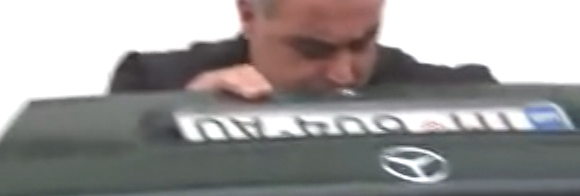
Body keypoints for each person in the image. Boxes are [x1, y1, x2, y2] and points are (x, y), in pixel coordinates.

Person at [109, 0, 496, 98]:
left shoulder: (461, 96)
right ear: (248, 14)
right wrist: (183, 118)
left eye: (363, 43)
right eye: (314, 50)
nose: (344, 74)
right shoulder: (152, 84)